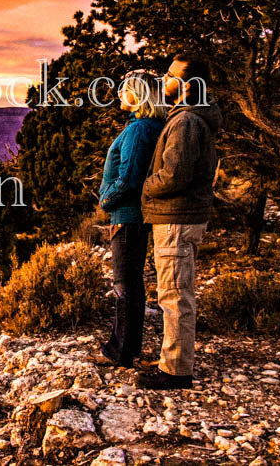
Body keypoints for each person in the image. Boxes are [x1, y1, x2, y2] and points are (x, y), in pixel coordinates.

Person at [137, 53, 223, 390]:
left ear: (186, 85)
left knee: (174, 296)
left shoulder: (186, 121)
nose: (164, 80)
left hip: (176, 218)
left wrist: (145, 186)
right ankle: (170, 361)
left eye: (170, 76)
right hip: (180, 216)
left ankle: (175, 371)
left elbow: (175, 174)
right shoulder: (188, 117)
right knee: (175, 293)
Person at [95, 70, 166, 368]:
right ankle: (126, 346)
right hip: (132, 215)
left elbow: (129, 180)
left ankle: (121, 351)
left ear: (139, 94)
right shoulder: (145, 126)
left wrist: (106, 198)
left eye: (125, 89)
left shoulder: (139, 130)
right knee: (132, 283)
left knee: (124, 284)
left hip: (127, 215)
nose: (120, 94)